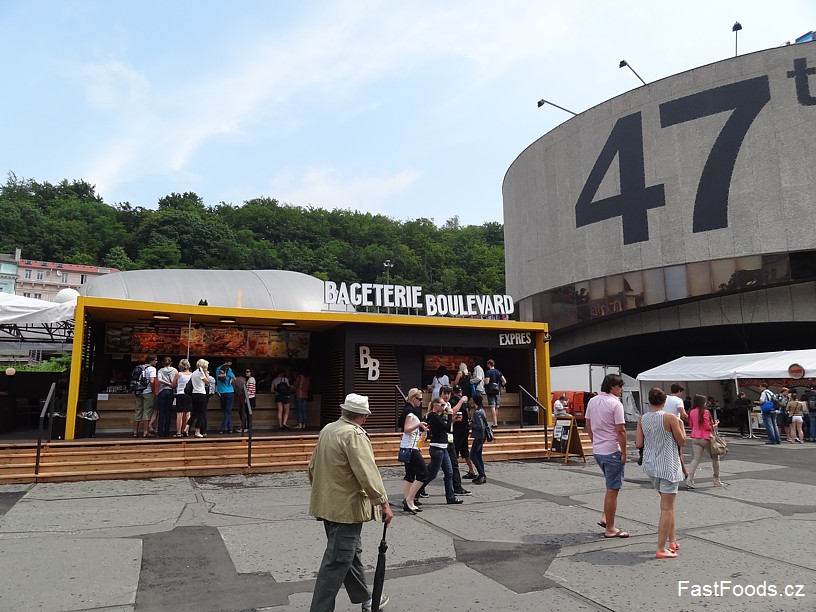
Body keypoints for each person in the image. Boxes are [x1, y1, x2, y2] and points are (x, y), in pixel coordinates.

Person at [308, 393, 392, 612]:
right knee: (337, 562)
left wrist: (323, 493)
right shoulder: (353, 434)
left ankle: (365, 598)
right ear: (363, 416)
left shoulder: (328, 429)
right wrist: (383, 503)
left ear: (344, 411)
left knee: (348, 555)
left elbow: (312, 467)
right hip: (347, 508)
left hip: (328, 505)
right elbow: (367, 472)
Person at [636, 387, 686, 559]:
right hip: (668, 466)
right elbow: (682, 441)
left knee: (667, 506)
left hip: (651, 465)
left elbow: (638, 443)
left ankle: (672, 539)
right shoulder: (670, 418)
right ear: (664, 401)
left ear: (650, 401)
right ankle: (661, 547)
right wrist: (681, 426)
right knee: (667, 508)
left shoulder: (642, 419)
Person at [585, 373, 628, 538]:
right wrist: (624, 452)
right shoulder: (615, 404)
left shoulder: (593, 400)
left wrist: (594, 441)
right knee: (613, 489)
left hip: (598, 450)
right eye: (620, 386)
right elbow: (621, 430)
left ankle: (605, 517)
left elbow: (588, 424)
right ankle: (610, 528)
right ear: (612, 387)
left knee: (610, 485)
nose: (621, 390)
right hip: (612, 450)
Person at [422, 397, 464, 505]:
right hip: (437, 448)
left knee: (449, 473)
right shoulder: (433, 416)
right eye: (442, 405)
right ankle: (416, 491)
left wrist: (447, 414)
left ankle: (450, 497)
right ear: (435, 405)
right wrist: (450, 415)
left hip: (443, 447)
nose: (443, 407)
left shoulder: (437, 416)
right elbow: (446, 427)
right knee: (432, 474)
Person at [398, 388, 429, 513]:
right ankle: (409, 499)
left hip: (409, 446)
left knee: (410, 474)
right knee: (423, 473)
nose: (421, 401)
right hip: (410, 447)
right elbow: (406, 429)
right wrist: (419, 424)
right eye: (419, 399)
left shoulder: (408, 411)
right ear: (413, 398)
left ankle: (408, 500)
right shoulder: (410, 413)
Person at [686, 394, 725, 488]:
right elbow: (707, 427)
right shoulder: (705, 412)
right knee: (715, 458)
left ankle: (690, 479)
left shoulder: (691, 412)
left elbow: (691, 425)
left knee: (696, 459)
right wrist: (715, 425)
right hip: (706, 437)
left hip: (695, 437)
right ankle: (716, 479)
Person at [439, 385, 470, 497]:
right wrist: (461, 401)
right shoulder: (441, 404)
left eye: (448, 393)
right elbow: (451, 412)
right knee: (435, 468)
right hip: (441, 440)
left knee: (452, 465)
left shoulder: (447, 404)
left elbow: (450, 419)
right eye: (445, 393)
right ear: (441, 394)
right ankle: (419, 489)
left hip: (449, 438)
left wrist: (453, 419)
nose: (447, 395)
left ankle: (456, 488)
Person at [451, 384, 477, 479]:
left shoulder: (454, 400)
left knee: (454, 451)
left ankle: (454, 472)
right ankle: (472, 470)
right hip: (465, 428)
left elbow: (453, 412)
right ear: (461, 391)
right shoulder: (466, 402)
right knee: (465, 451)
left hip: (457, 429)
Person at [132, 354, 158, 438]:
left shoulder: (139, 367)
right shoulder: (152, 369)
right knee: (147, 411)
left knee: (138, 410)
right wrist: (153, 391)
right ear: (151, 361)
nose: (156, 362)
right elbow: (152, 381)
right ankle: (145, 432)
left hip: (138, 391)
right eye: (155, 360)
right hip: (148, 392)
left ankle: (135, 432)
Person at [154, 357, 177, 438]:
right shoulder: (174, 370)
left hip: (162, 391)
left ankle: (160, 432)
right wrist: (170, 384)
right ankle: (166, 432)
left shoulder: (160, 370)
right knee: (168, 412)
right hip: (170, 391)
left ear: (163, 363)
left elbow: (159, 379)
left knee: (161, 412)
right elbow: (176, 380)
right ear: (171, 363)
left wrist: (166, 383)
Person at [188, 359, 211, 438]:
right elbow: (208, 381)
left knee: (194, 413)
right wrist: (206, 373)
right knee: (201, 414)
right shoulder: (201, 372)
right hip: (201, 393)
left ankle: (186, 428)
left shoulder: (194, 373)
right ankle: (197, 432)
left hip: (194, 393)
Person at [469, 395, 489, 484]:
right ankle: (482, 474)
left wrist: (471, 424)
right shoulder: (482, 410)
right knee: (478, 455)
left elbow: (480, 426)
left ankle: (481, 474)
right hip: (482, 436)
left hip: (479, 436)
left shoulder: (477, 412)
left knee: (473, 455)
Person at [483, 359, 506, 428]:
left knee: (492, 406)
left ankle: (495, 422)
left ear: (489, 364)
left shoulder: (488, 372)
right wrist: (500, 386)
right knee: (496, 406)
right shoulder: (498, 372)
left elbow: (487, 382)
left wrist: (483, 380)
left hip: (490, 391)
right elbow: (504, 381)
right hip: (497, 391)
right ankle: (495, 422)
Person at [173, 359, 192, 437]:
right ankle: (186, 431)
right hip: (189, 394)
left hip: (180, 394)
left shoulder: (178, 374)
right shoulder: (192, 374)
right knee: (188, 414)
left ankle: (178, 432)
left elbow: (173, 384)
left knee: (179, 414)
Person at [215, 359, 235, 434]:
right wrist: (230, 382)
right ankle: (222, 428)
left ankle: (230, 427)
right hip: (229, 391)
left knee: (225, 411)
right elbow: (234, 378)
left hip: (221, 392)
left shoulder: (217, 369)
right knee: (228, 411)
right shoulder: (228, 369)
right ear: (228, 362)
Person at [243, 368, 256, 433]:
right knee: (248, 413)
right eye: (246, 371)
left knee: (248, 413)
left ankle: (248, 427)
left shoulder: (251, 379)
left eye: (248, 371)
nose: (246, 373)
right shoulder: (250, 379)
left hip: (250, 398)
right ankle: (248, 427)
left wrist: (246, 398)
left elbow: (250, 390)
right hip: (250, 397)